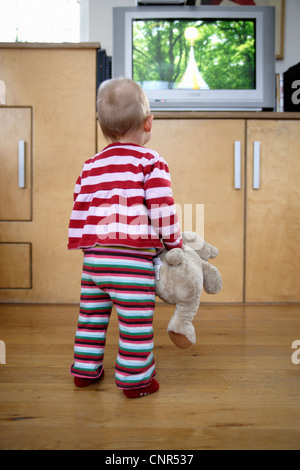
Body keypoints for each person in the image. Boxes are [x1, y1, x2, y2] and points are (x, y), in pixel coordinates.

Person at [68, 78, 182, 398]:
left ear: (103, 127)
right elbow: (161, 208)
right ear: (149, 122)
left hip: (94, 260)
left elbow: (81, 205)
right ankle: (136, 381)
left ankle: (85, 371)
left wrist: (91, 251)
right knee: (135, 324)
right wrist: (174, 244)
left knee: (90, 317)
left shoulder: (90, 165)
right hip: (131, 263)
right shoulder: (150, 162)